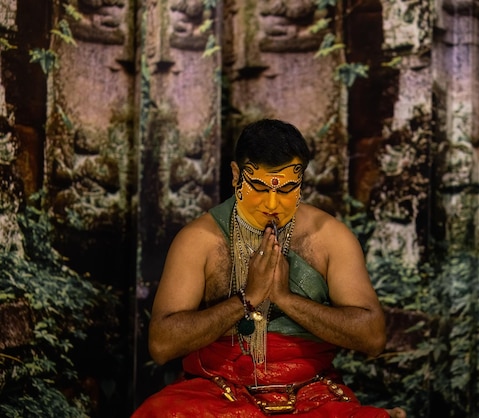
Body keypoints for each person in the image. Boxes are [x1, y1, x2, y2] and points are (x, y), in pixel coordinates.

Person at [132, 119, 405, 417]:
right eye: (260, 188)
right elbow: (161, 345)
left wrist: (285, 298)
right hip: (217, 391)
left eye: (288, 189)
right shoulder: (199, 240)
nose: (273, 203)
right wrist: (246, 299)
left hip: (310, 392)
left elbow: (373, 338)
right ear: (236, 175)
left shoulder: (330, 238)